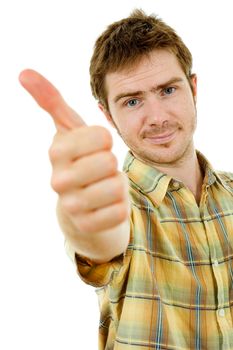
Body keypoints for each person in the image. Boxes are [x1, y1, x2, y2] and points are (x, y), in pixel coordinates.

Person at [19, 8, 233, 350]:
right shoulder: (118, 201)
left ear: (193, 89)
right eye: (132, 101)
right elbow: (102, 240)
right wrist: (88, 219)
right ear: (108, 115)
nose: (157, 117)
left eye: (167, 90)